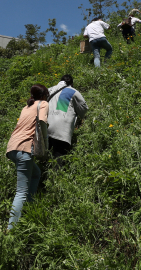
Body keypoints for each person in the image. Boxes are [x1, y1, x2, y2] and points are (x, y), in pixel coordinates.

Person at [6, 84, 49, 229]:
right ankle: (11, 230)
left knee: (36, 173)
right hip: (24, 149)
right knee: (21, 192)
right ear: (43, 96)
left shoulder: (26, 107)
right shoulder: (43, 104)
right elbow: (42, 122)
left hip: (12, 147)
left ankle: (28, 208)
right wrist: (46, 143)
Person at [46, 75, 88, 165]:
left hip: (45, 126)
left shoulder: (49, 90)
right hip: (61, 129)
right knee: (59, 158)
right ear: (71, 84)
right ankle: (57, 177)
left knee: (45, 156)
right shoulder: (72, 91)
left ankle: (43, 175)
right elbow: (83, 109)